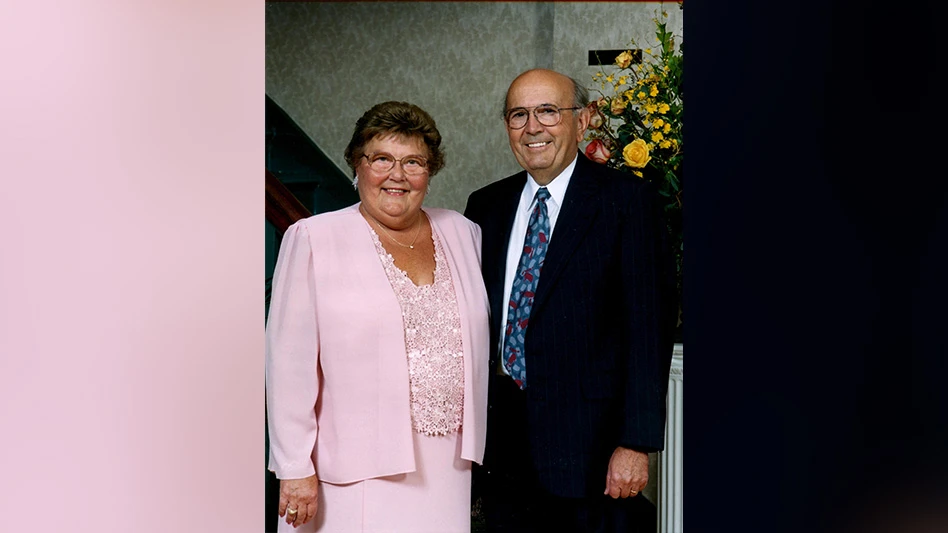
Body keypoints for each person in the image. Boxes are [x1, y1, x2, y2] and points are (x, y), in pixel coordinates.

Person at [463, 69, 676, 532]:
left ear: (582, 122)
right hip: (500, 442)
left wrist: (635, 444)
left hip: (591, 450)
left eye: (548, 111)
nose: (533, 127)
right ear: (506, 126)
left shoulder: (628, 201)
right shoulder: (485, 206)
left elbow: (648, 327)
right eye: (519, 114)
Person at [266, 101, 490, 532]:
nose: (397, 175)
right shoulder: (314, 238)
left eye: (414, 162)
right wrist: (294, 466)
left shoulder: (463, 233)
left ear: (430, 171)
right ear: (357, 163)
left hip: (449, 466)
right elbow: (288, 366)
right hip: (353, 469)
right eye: (382, 159)